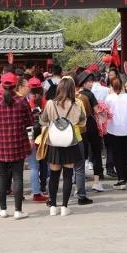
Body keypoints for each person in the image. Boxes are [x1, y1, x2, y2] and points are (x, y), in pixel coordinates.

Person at [0, 72, 34, 219]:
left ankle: (3, 209)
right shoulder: (22, 101)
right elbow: (30, 121)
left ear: (2, 84)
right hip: (18, 144)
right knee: (18, 177)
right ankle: (18, 211)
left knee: (1, 176)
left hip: (0, 144)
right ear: (15, 85)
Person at [40, 77, 86, 216]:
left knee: (54, 175)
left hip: (54, 143)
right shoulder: (76, 105)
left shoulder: (50, 103)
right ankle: (65, 207)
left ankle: (53, 206)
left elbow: (43, 121)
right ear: (72, 89)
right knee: (68, 175)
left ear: (59, 88)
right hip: (70, 142)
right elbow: (82, 122)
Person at [104, 77, 127, 190]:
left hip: (113, 130)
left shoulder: (109, 98)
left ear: (112, 86)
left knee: (117, 155)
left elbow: (105, 115)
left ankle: (121, 179)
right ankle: (125, 178)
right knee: (126, 154)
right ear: (123, 85)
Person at [77, 71, 103, 196]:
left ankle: (79, 185)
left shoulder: (76, 95)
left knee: (80, 155)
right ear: (83, 83)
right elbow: (97, 110)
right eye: (89, 82)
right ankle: (96, 182)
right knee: (96, 152)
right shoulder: (90, 95)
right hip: (91, 125)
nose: (91, 84)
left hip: (79, 127)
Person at [26, 76, 49, 202]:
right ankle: (43, 186)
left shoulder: (27, 102)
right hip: (43, 135)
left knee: (34, 166)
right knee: (44, 162)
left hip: (31, 135)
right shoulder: (45, 102)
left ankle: (36, 191)